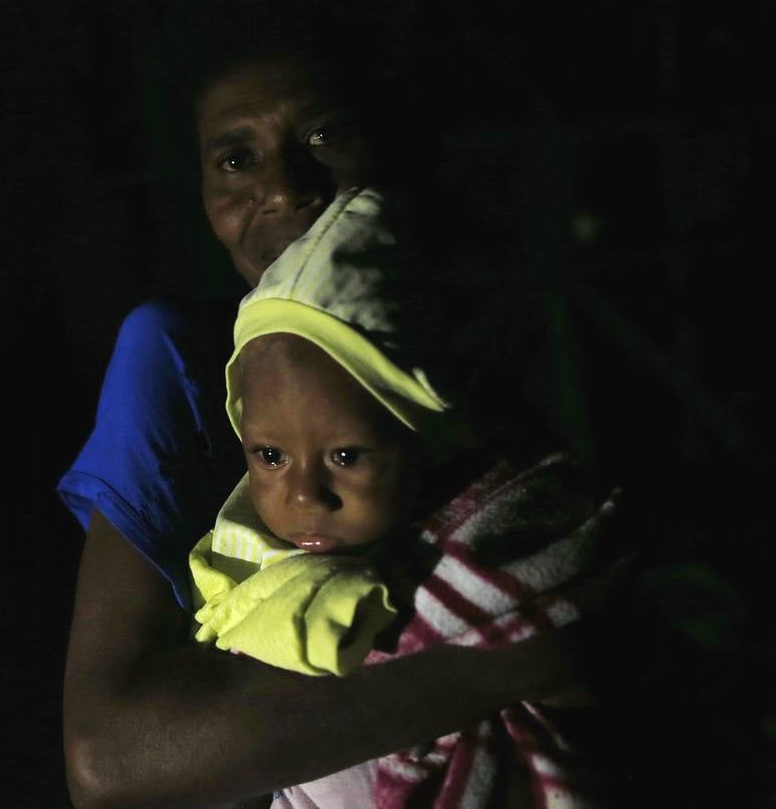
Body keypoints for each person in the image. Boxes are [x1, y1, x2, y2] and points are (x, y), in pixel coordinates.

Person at [59, 47, 587, 808]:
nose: (280, 188)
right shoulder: (184, 354)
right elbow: (109, 763)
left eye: (323, 136)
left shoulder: (477, 351)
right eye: (234, 160)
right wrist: (522, 655)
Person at [186, 186, 621, 806]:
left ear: (426, 439)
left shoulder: (498, 552)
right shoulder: (250, 566)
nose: (305, 494)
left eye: (345, 456)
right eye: (270, 455)